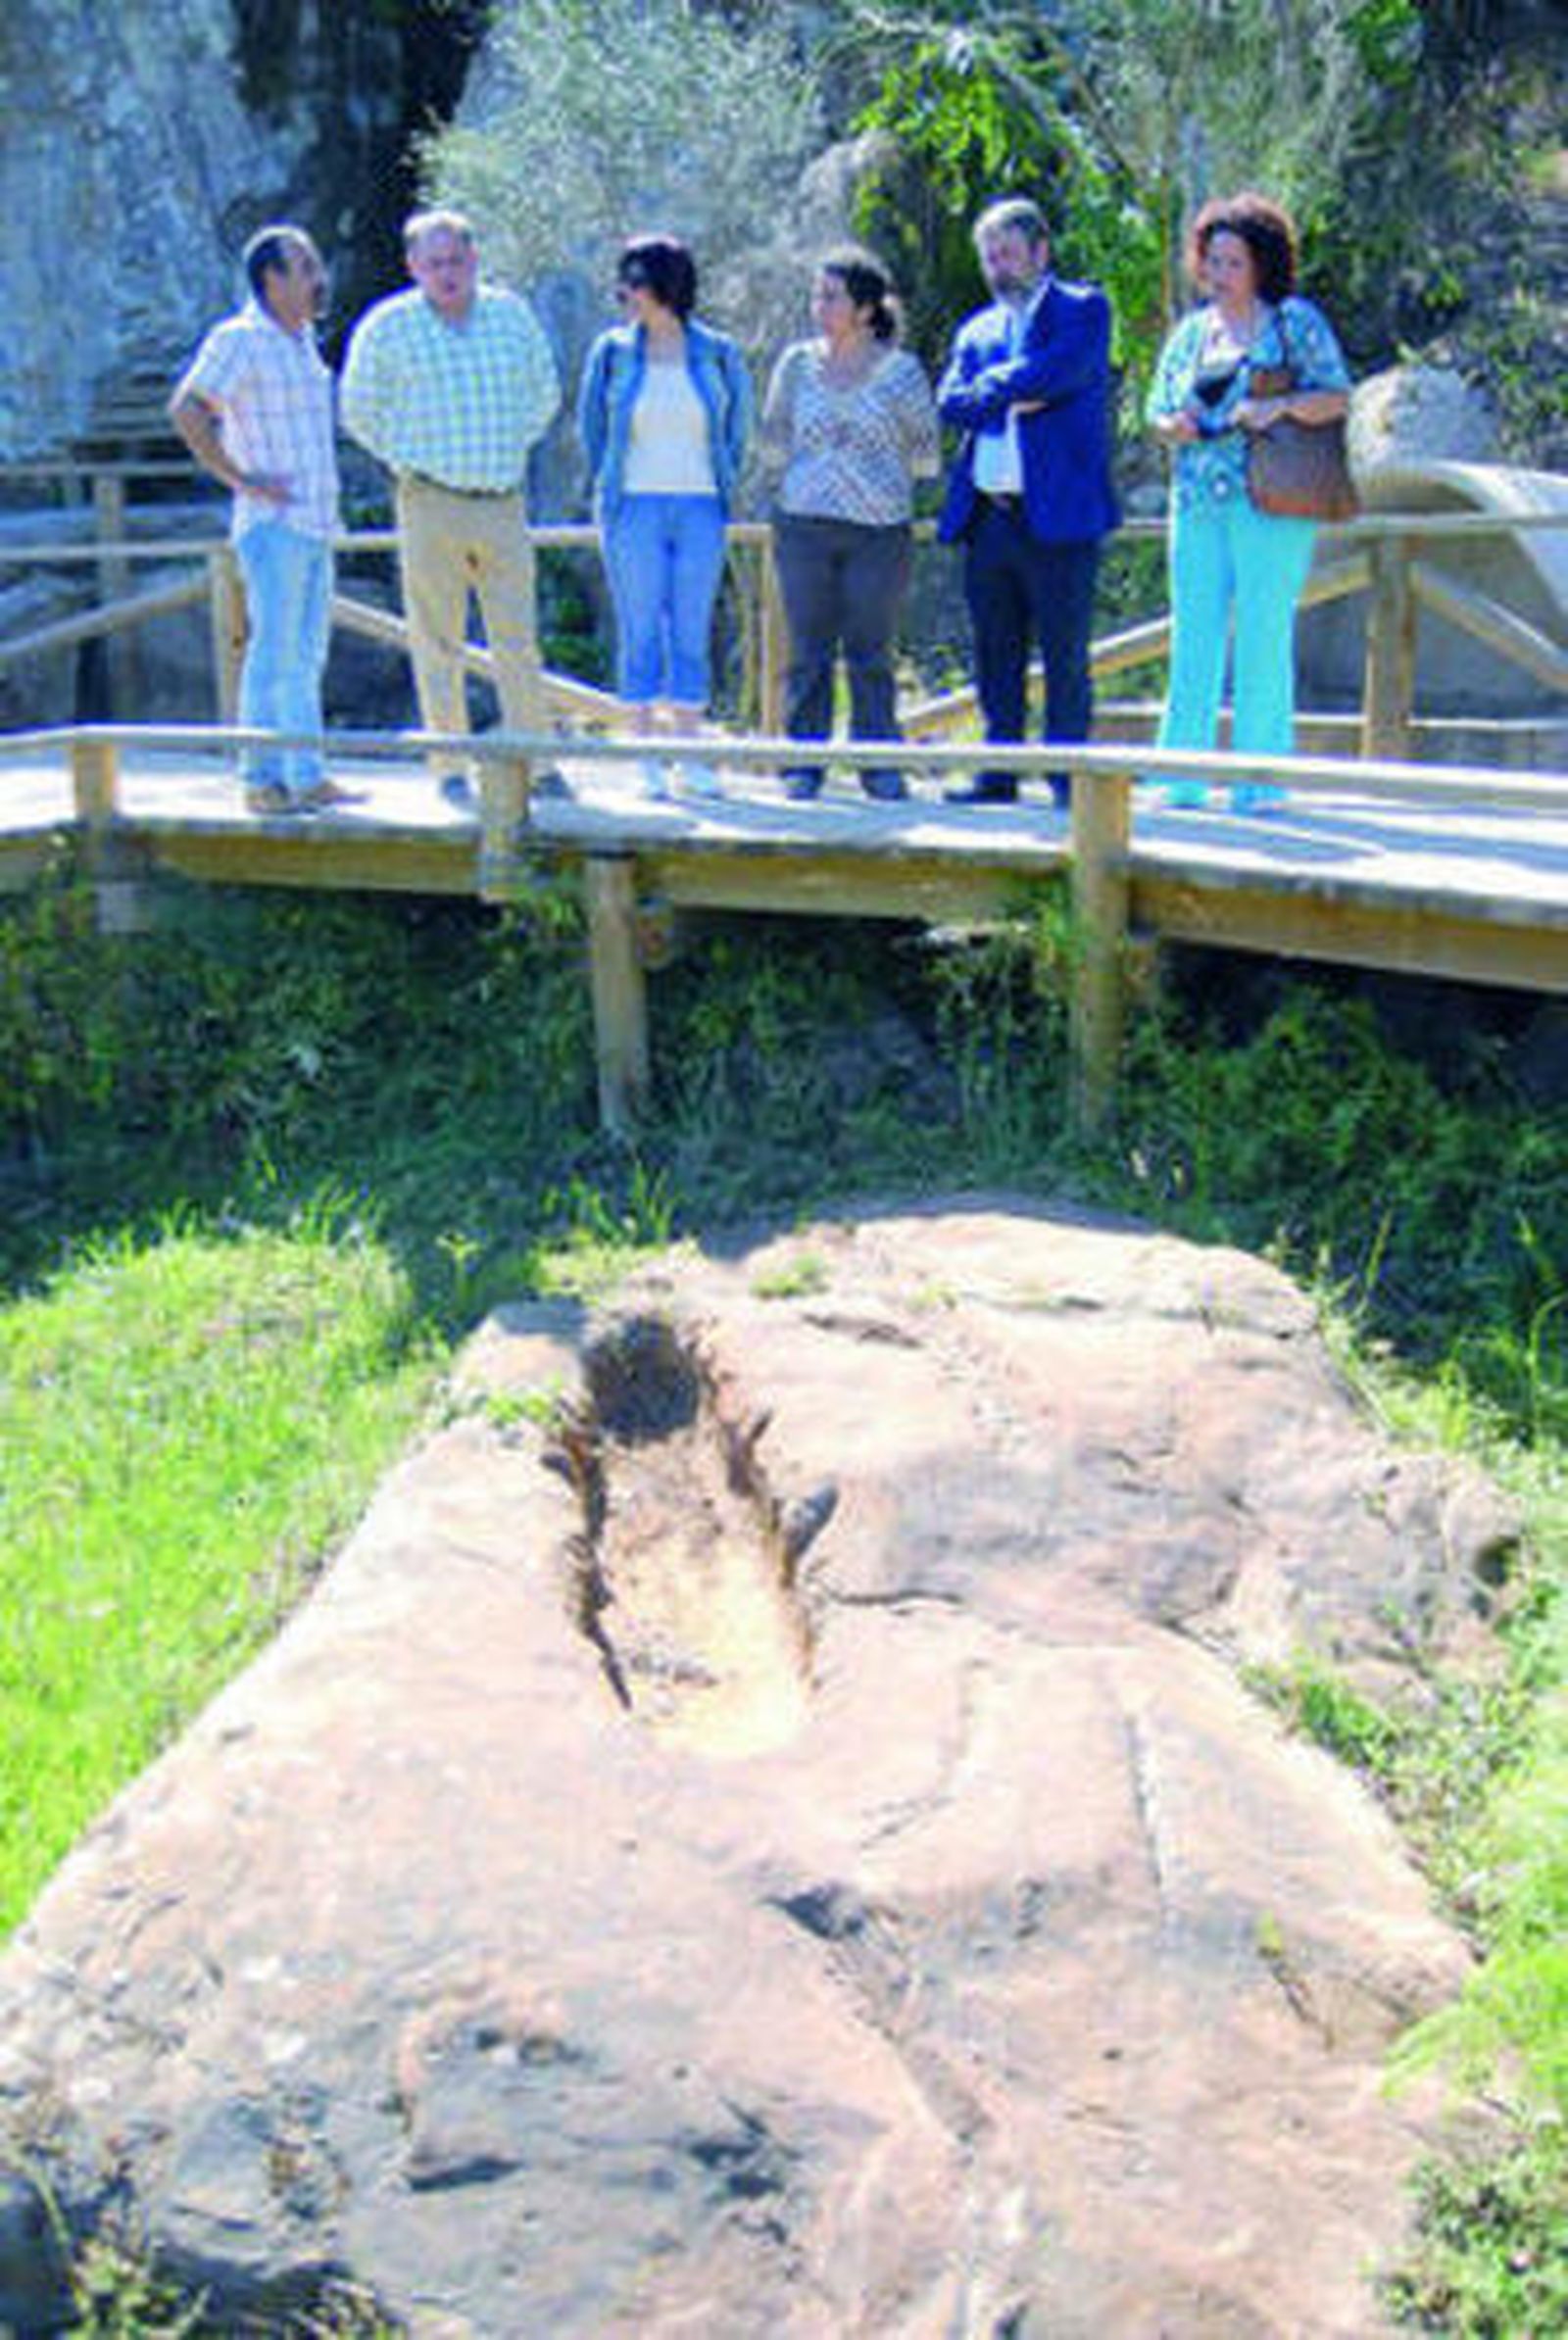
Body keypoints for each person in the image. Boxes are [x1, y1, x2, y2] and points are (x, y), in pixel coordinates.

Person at [340, 208, 561, 810]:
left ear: (474, 258)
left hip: (501, 498)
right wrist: (406, 459)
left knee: (518, 638)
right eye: (433, 262)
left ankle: (537, 762)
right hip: (429, 497)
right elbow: (358, 410)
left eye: (456, 260)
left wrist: (509, 446)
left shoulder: (511, 316)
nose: (447, 273)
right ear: (413, 266)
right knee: (437, 640)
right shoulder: (387, 327)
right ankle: (449, 765)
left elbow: (545, 394)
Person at [1148, 190, 1351, 813]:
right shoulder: (1190, 334)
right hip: (1196, 502)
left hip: (1269, 500)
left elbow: (1337, 396)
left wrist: (1277, 407)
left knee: (1263, 636)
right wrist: (1173, 424)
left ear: (1262, 263)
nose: (1220, 274)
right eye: (1212, 261)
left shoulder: (1295, 322)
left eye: (1233, 262)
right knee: (1194, 638)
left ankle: (1259, 782)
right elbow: (1154, 409)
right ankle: (1179, 777)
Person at [937, 196, 1119, 810]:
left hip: (1059, 517)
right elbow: (950, 404)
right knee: (996, 652)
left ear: (1041, 252)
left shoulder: (1082, 309)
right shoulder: (976, 329)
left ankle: (1067, 780)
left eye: (1009, 253)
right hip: (989, 517)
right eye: (990, 256)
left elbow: (1060, 373)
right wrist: (1012, 393)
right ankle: (1000, 772)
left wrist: (996, 389)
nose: (998, 267)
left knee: (1065, 655)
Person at [171, 223, 352, 816]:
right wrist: (241, 480)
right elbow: (189, 408)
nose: (315, 277)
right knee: (276, 650)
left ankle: (304, 774)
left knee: (306, 651)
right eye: (303, 267)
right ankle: (261, 777)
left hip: (316, 521)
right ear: (271, 279)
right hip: (273, 524)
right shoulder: (241, 337)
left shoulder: (301, 340)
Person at [577, 234, 752, 801]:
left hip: (701, 504)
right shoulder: (612, 352)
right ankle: (646, 755)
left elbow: (737, 431)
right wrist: (609, 488)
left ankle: (692, 755)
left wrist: (724, 485)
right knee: (640, 626)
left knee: (692, 628)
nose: (622, 292)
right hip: (633, 507)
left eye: (633, 280)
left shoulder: (718, 352)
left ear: (664, 286)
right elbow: (592, 431)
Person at [761, 249, 939, 803]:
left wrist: (869, 463)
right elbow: (771, 437)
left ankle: (878, 763)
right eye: (817, 295)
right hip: (805, 523)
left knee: (870, 648)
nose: (819, 306)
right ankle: (803, 763)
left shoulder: (901, 371)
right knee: (808, 648)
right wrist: (814, 462)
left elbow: (927, 452)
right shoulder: (796, 363)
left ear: (864, 309)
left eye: (831, 296)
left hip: (878, 529)